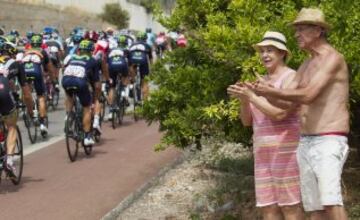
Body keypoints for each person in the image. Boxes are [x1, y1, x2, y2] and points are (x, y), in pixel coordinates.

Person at [253, 8, 349, 220]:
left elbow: (308, 95)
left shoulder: (332, 58)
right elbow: (285, 102)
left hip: (328, 138)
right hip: (305, 141)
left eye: (301, 29)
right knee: (314, 209)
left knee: (331, 203)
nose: (296, 35)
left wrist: (269, 91)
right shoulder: (306, 64)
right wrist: (257, 93)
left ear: (317, 30)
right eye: (296, 30)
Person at [228, 31, 304, 220]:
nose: (264, 55)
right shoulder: (260, 82)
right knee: (268, 208)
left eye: (270, 50)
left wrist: (252, 96)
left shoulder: (291, 78)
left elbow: (279, 114)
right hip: (262, 154)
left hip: (286, 152)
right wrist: (244, 100)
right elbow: (247, 122)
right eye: (262, 51)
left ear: (282, 53)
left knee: (290, 208)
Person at [0, 41, 33, 177]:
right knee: (12, 126)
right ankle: (9, 161)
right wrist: (30, 110)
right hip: (3, 92)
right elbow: (26, 93)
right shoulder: (17, 64)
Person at [62, 39, 100, 146]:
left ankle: (68, 116)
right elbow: (96, 84)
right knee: (86, 107)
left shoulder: (71, 57)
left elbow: (63, 69)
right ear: (92, 50)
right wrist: (96, 97)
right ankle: (87, 136)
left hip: (66, 80)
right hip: (80, 82)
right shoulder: (92, 60)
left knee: (69, 95)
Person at [22, 34, 56, 136]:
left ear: (30, 44)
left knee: (26, 93)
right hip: (36, 72)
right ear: (41, 44)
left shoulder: (26, 51)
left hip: (25, 72)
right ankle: (42, 124)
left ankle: (29, 113)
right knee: (40, 96)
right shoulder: (43, 52)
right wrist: (54, 80)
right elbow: (49, 67)